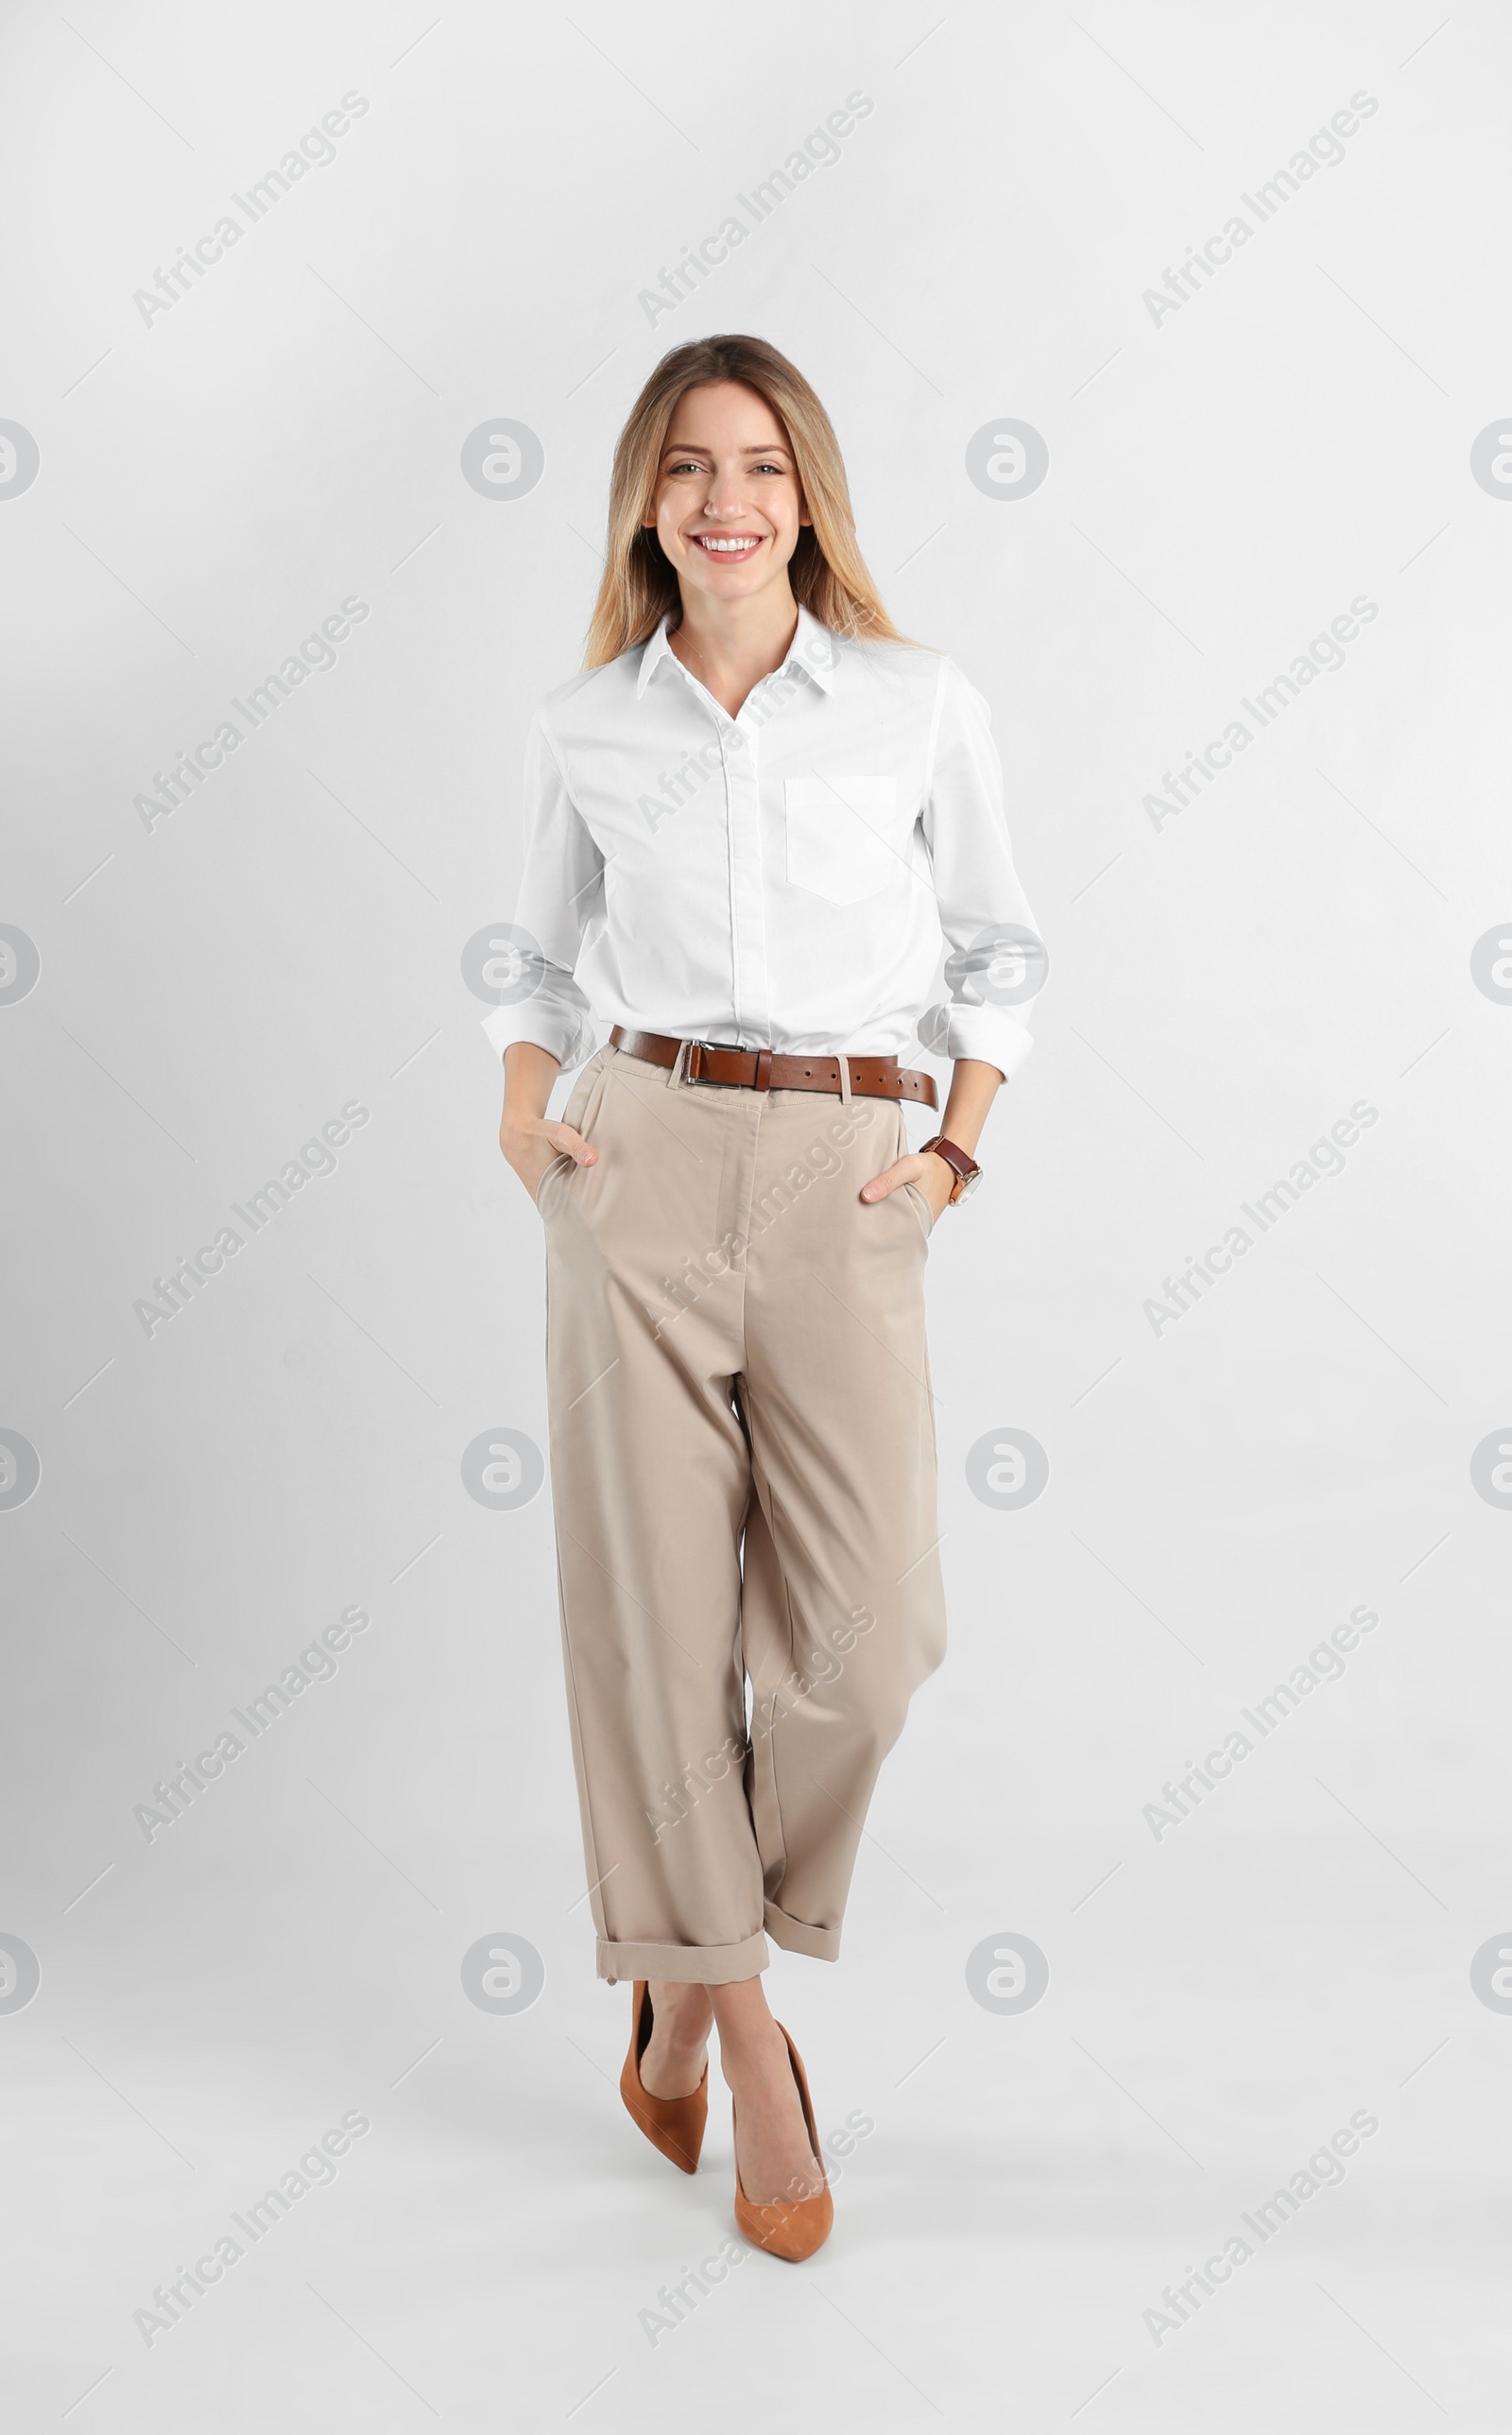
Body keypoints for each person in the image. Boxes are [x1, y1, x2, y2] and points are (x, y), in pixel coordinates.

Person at [486, 335, 1043, 2260]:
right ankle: (733, 2025)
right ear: (645, 501)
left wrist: (954, 1145)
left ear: (807, 496)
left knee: (868, 1641)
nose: (725, 498)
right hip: (634, 1156)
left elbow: (994, 941)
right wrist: (517, 1108)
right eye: (687, 466)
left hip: (846, 1165)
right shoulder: (588, 725)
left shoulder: (909, 701)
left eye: (761, 465)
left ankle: (676, 1961)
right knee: (653, 1629)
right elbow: (535, 959)